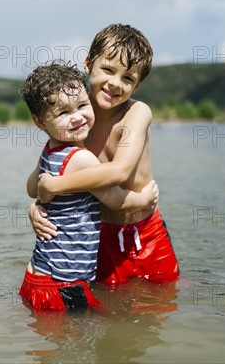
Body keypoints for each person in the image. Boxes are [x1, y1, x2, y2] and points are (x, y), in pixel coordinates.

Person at [30, 24, 180, 286]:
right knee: (106, 308)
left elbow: (118, 172)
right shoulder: (77, 115)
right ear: (88, 64)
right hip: (96, 237)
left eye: (128, 78)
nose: (115, 83)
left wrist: (54, 185)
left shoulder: (137, 113)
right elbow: (50, 168)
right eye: (108, 70)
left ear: (138, 85)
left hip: (143, 233)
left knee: (161, 306)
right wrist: (37, 208)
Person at [19, 61, 159, 311]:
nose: (77, 117)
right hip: (64, 284)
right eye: (63, 113)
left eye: (82, 106)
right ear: (40, 122)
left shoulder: (49, 151)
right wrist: (144, 199)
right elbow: (114, 199)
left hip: (37, 275)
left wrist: (38, 200)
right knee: (84, 343)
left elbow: (32, 187)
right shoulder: (82, 158)